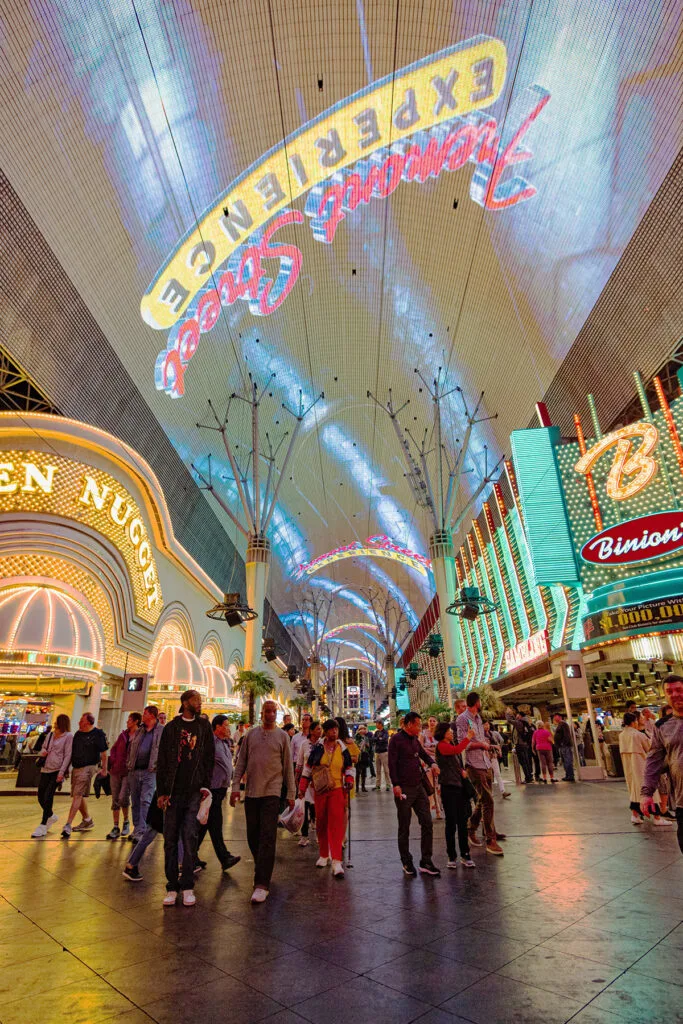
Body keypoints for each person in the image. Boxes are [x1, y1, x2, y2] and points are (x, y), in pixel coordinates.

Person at [231, 699, 295, 904]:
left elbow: (288, 768)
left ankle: (262, 883)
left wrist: (291, 793)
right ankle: (262, 867)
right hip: (251, 793)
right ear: (262, 713)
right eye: (267, 711)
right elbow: (241, 762)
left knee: (267, 835)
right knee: (253, 835)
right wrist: (234, 789)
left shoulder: (283, 737)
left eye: (273, 711)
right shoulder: (251, 735)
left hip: (272, 792)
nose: (270, 714)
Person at [156, 689, 215, 907]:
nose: (199, 703)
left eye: (200, 700)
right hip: (173, 791)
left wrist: (205, 787)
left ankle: (188, 885)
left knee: (190, 838)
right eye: (195, 700)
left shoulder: (203, 726)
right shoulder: (172, 728)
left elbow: (209, 757)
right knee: (170, 840)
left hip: (193, 791)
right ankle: (172, 886)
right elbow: (162, 760)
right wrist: (162, 791)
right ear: (185, 702)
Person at [388, 710, 441, 877]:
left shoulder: (415, 740)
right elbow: (392, 764)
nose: (420, 727)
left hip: (418, 788)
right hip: (404, 788)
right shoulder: (396, 740)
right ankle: (406, 861)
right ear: (409, 724)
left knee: (427, 822)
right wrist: (395, 784)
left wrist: (432, 763)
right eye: (418, 725)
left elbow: (424, 755)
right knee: (404, 826)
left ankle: (426, 860)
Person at [300, 719, 354, 877]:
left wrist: (349, 780)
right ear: (325, 731)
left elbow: (349, 767)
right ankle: (324, 854)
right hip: (320, 790)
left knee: (336, 824)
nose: (334, 732)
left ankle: (337, 860)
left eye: (336, 730)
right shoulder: (317, 748)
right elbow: (308, 768)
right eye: (331, 730)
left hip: (337, 790)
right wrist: (302, 787)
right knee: (321, 822)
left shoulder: (342, 748)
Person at [457, 693, 504, 856]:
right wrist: (481, 745)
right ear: (476, 702)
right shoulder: (462, 719)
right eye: (481, 700)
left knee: (484, 799)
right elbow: (464, 743)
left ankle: (473, 828)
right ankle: (491, 840)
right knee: (487, 800)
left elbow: (481, 740)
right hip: (474, 765)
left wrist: (489, 747)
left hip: (485, 762)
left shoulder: (478, 719)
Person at [642, 674, 683, 852]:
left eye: (679, 690)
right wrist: (647, 793)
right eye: (669, 691)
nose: (675, 694)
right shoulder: (662, 726)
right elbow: (654, 760)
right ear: (665, 695)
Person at [196, 714, 241, 872]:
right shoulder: (211, 744)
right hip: (212, 790)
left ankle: (190, 856)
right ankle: (224, 857)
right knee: (215, 825)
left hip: (220, 790)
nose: (228, 728)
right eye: (226, 725)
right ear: (217, 727)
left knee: (204, 825)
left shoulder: (224, 743)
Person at [619, 711, 670, 829]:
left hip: (628, 767)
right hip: (641, 765)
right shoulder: (638, 735)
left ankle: (635, 815)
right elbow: (651, 749)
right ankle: (657, 818)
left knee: (633, 790)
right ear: (633, 721)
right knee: (649, 790)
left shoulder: (621, 735)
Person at [61, 712, 108, 838]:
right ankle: (87, 820)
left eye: (81, 721)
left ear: (88, 722)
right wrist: (66, 768)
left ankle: (68, 824)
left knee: (77, 795)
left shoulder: (98, 734)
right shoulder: (78, 734)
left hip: (88, 767)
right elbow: (72, 752)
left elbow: (104, 753)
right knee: (78, 795)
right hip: (76, 768)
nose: (79, 723)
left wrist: (104, 769)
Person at [435, 721, 475, 868]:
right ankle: (452, 855)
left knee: (462, 822)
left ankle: (465, 854)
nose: (452, 733)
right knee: (451, 823)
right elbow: (457, 750)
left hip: (459, 787)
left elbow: (455, 762)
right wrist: (468, 737)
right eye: (449, 731)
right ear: (442, 733)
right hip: (449, 788)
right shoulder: (442, 746)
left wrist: (461, 772)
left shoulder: (451, 746)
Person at [127, 705, 164, 843]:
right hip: (135, 770)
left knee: (145, 800)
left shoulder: (161, 730)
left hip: (150, 771)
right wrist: (129, 763)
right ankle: (137, 828)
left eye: (145, 713)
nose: (143, 715)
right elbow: (132, 747)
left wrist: (157, 766)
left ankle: (143, 830)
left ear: (152, 716)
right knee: (135, 801)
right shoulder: (140, 730)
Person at [32, 714, 72, 837]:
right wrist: (43, 752)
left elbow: (67, 755)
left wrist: (62, 772)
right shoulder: (50, 735)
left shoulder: (68, 736)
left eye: (57, 722)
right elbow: (43, 747)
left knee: (49, 796)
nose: (55, 725)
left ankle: (43, 824)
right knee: (40, 796)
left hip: (56, 770)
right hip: (46, 768)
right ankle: (50, 815)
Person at [106, 712, 140, 840]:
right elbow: (114, 749)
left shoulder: (139, 736)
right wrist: (113, 763)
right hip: (116, 770)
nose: (127, 722)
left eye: (130, 720)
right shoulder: (123, 735)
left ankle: (126, 821)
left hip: (128, 772)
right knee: (115, 798)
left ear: (136, 721)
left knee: (123, 797)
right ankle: (116, 826)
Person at [296, 720, 321, 846]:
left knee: (317, 809)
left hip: (319, 782)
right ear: (311, 731)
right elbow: (300, 763)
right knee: (304, 809)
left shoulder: (323, 744)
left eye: (320, 729)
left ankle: (318, 834)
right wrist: (297, 780)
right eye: (317, 729)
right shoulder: (304, 744)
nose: (320, 731)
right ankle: (304, 836)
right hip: (306, 780)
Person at [421, 715, 444, 817]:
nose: (432, 722)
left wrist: (429, 749)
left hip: (439, 761)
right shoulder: (423, 734)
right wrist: (431, 750)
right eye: (430, 721)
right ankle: (433, 807)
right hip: (428, 762)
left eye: (434, 721)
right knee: (431, 785)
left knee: (439, 786)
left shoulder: (440, 734)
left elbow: (441, 748)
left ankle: (439, 807)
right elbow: (420, 748)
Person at [484, 720, 510, 798]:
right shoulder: (481, 735)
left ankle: (503, 791)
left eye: (487, 724)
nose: (487, 726)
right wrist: (495, 747)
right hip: (485, 756)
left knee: (497, 773)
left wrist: (499, 749)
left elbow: (497, 742)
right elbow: (486, 745)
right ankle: (489, 793)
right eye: (485, 724)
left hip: (493, 755)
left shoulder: (491, 733)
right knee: (488, 775)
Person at [553, 713, 576, 782]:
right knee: (565, 761)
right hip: (562, 746)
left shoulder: (563, 724)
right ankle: (568, 775)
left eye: (555, 717)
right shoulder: (560, 725)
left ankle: (570, 775)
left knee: (568, 760)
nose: (554, 718)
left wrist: (563, 743)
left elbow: (566, 735)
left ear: (560, 717)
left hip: (565, 746)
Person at [513, 712, 534, 784]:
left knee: (523, 762)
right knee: (527, 761)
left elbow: (509, 720)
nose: (516, 716)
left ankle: (527, 777)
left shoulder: (519, 723)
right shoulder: (527, 723)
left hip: (520, 744)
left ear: (520, 716)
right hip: (526, 744)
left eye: (517, 715)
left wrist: (508, 713)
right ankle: (530, 776)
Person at [373, 719, 389, 791]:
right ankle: (378, 785)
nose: (376, 725)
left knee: (386, 769)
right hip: (377, 752)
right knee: (378, 770)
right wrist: (378, 739)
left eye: (377, 723)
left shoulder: (385, 732)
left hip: (384, 752)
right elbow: (373, 739)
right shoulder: (376, 732)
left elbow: (384, 740)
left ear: (380, 724)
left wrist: (378, 739)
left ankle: (388, 784)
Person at [355, 724, 373, 793]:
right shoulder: (357, 737)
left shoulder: (366, 737)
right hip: (358, 756)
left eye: (364, 729)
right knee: (358, 772)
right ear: (359, 730)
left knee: (364, 772)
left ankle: (363, 787)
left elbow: (368, 747)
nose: (363, 730)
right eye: (361, 729)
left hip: (364, 756)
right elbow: (355, 744)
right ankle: (356, 788)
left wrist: (367, 745)